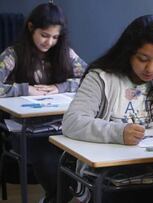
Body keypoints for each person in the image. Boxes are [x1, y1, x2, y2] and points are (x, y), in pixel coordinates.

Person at [62, 14, 153, 202]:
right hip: (112, 177)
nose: (151, 68)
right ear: (128, 53)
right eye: (143, 59)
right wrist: (117, 132)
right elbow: (72, 122)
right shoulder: (102, 78)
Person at [0, 2, 87, 203]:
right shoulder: (14, 54)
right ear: (31, 28)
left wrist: (60, 87)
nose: (49, 42)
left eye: (55, 37)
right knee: (49, 161)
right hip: (27, 131)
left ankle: (56, 198)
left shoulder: (64, 52)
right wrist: (24, 89)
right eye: (44, 35)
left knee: (77, 159)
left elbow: (90, 78)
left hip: (61, 127)